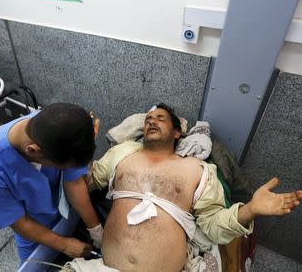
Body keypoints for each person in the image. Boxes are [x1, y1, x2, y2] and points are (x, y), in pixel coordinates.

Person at [72, 103, 302, 272]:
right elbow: (83, 184)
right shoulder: (122, 153)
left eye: (160, 118)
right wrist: (83, 153)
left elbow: (213, 226)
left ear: (176, 132)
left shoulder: (197, 169)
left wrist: (250, 209)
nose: (151, 120)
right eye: (148, 118)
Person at [0, 103, 103, 262]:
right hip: (35, 229)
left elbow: (74, 183)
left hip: (66, 210)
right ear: (33, 151)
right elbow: (21, 223)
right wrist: (64, 245)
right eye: (58, 167)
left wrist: (97, 231)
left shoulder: (61, 129)